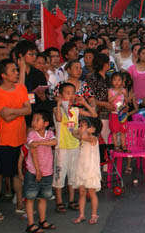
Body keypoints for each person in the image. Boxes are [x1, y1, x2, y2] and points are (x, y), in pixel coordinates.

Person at [0, 59, 32, 220]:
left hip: (20, 138)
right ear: (3, 75)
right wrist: (20, 110)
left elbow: (28, 110)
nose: (16, 73)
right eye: (13, 71)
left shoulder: (21, 88)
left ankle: (20, 204)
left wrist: (13, 111)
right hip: (5, 139)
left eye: (16, 70)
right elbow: (5, 116)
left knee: (17, 173)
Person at [53, 82, 97, 214]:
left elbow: (94, 115)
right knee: (60, 174)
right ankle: (59, 201)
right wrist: (59, 104)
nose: (71, 96)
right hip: (62, 147)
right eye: (67, 93)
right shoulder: (57, 109)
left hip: (74, 146)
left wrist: (84, 103)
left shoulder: (76, 110)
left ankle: (72, 200)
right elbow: (59, 119)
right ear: (61, 95)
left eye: (73, 93)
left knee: (73, 174)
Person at [24, 110, 57, 233]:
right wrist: (38, 171)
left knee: (43, 197)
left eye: (37, 120)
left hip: (47, 171)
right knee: (30, 197)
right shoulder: (31, 134)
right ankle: (30, 224)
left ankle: (42, 221)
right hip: (34, 171)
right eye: (33, 120)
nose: (34, 122)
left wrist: (39, 143)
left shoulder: (50, 133)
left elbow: (55, 142)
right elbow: (33, 152)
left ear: (46, 123)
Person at [72, 118, 102, 225]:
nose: (80, 128)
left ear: (92, 128)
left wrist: (87, 131)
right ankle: (81, 215)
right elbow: (73, 133)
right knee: (82, 193)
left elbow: (84, 136)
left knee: (91, 193)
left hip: (90, 171)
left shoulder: (92, 138)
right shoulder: (83, 137)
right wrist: (81, 129)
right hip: (82, 169)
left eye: (82, 125)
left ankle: (94, 215)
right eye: (80, 125)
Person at [127, 47, 145, 121]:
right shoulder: (131, 68)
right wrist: (131, 96)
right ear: (139, 55)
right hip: (134, 101)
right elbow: (129, 84)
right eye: (143, 53)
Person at [108, 72, 129, 152]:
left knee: (123, 130)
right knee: (114, 131)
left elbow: (126, 101)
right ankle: (116, 145)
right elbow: (109, 100)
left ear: (122, 81)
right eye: (114, 80)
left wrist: (126, 97)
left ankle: (123, 146)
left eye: (119, 80)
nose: (117, 82)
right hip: (114, 114)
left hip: (122, 114)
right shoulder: (110, 90)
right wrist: (117, 95)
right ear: (111, 81)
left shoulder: (124, 90)